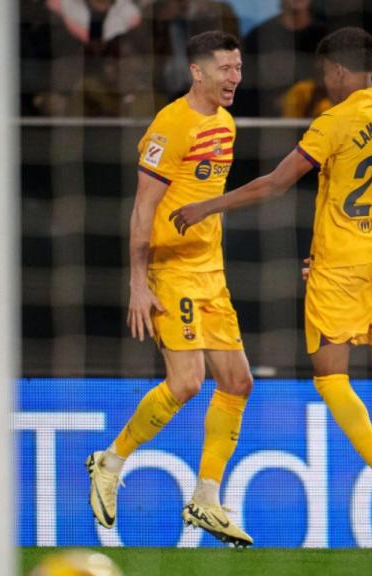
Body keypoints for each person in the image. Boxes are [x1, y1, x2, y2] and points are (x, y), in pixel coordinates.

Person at [169, 26, 372, 541]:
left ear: (341, 71)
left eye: (326, 72)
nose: (325, 81)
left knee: (331, 378)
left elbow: (276, 183)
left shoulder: (335, 121)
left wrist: (208, 205)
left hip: (340, 265)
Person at [86, 30, 254, 548]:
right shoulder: (171, 124)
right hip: (171, 270)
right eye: (225, 68)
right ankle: (109, 464)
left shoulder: (225, 123)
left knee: (238, 381)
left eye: (239, 67)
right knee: (187, 382)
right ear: (197, 72)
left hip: (212, 271)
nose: (235, 77)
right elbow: (143, 208)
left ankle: (206, 498)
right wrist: (138, 282)